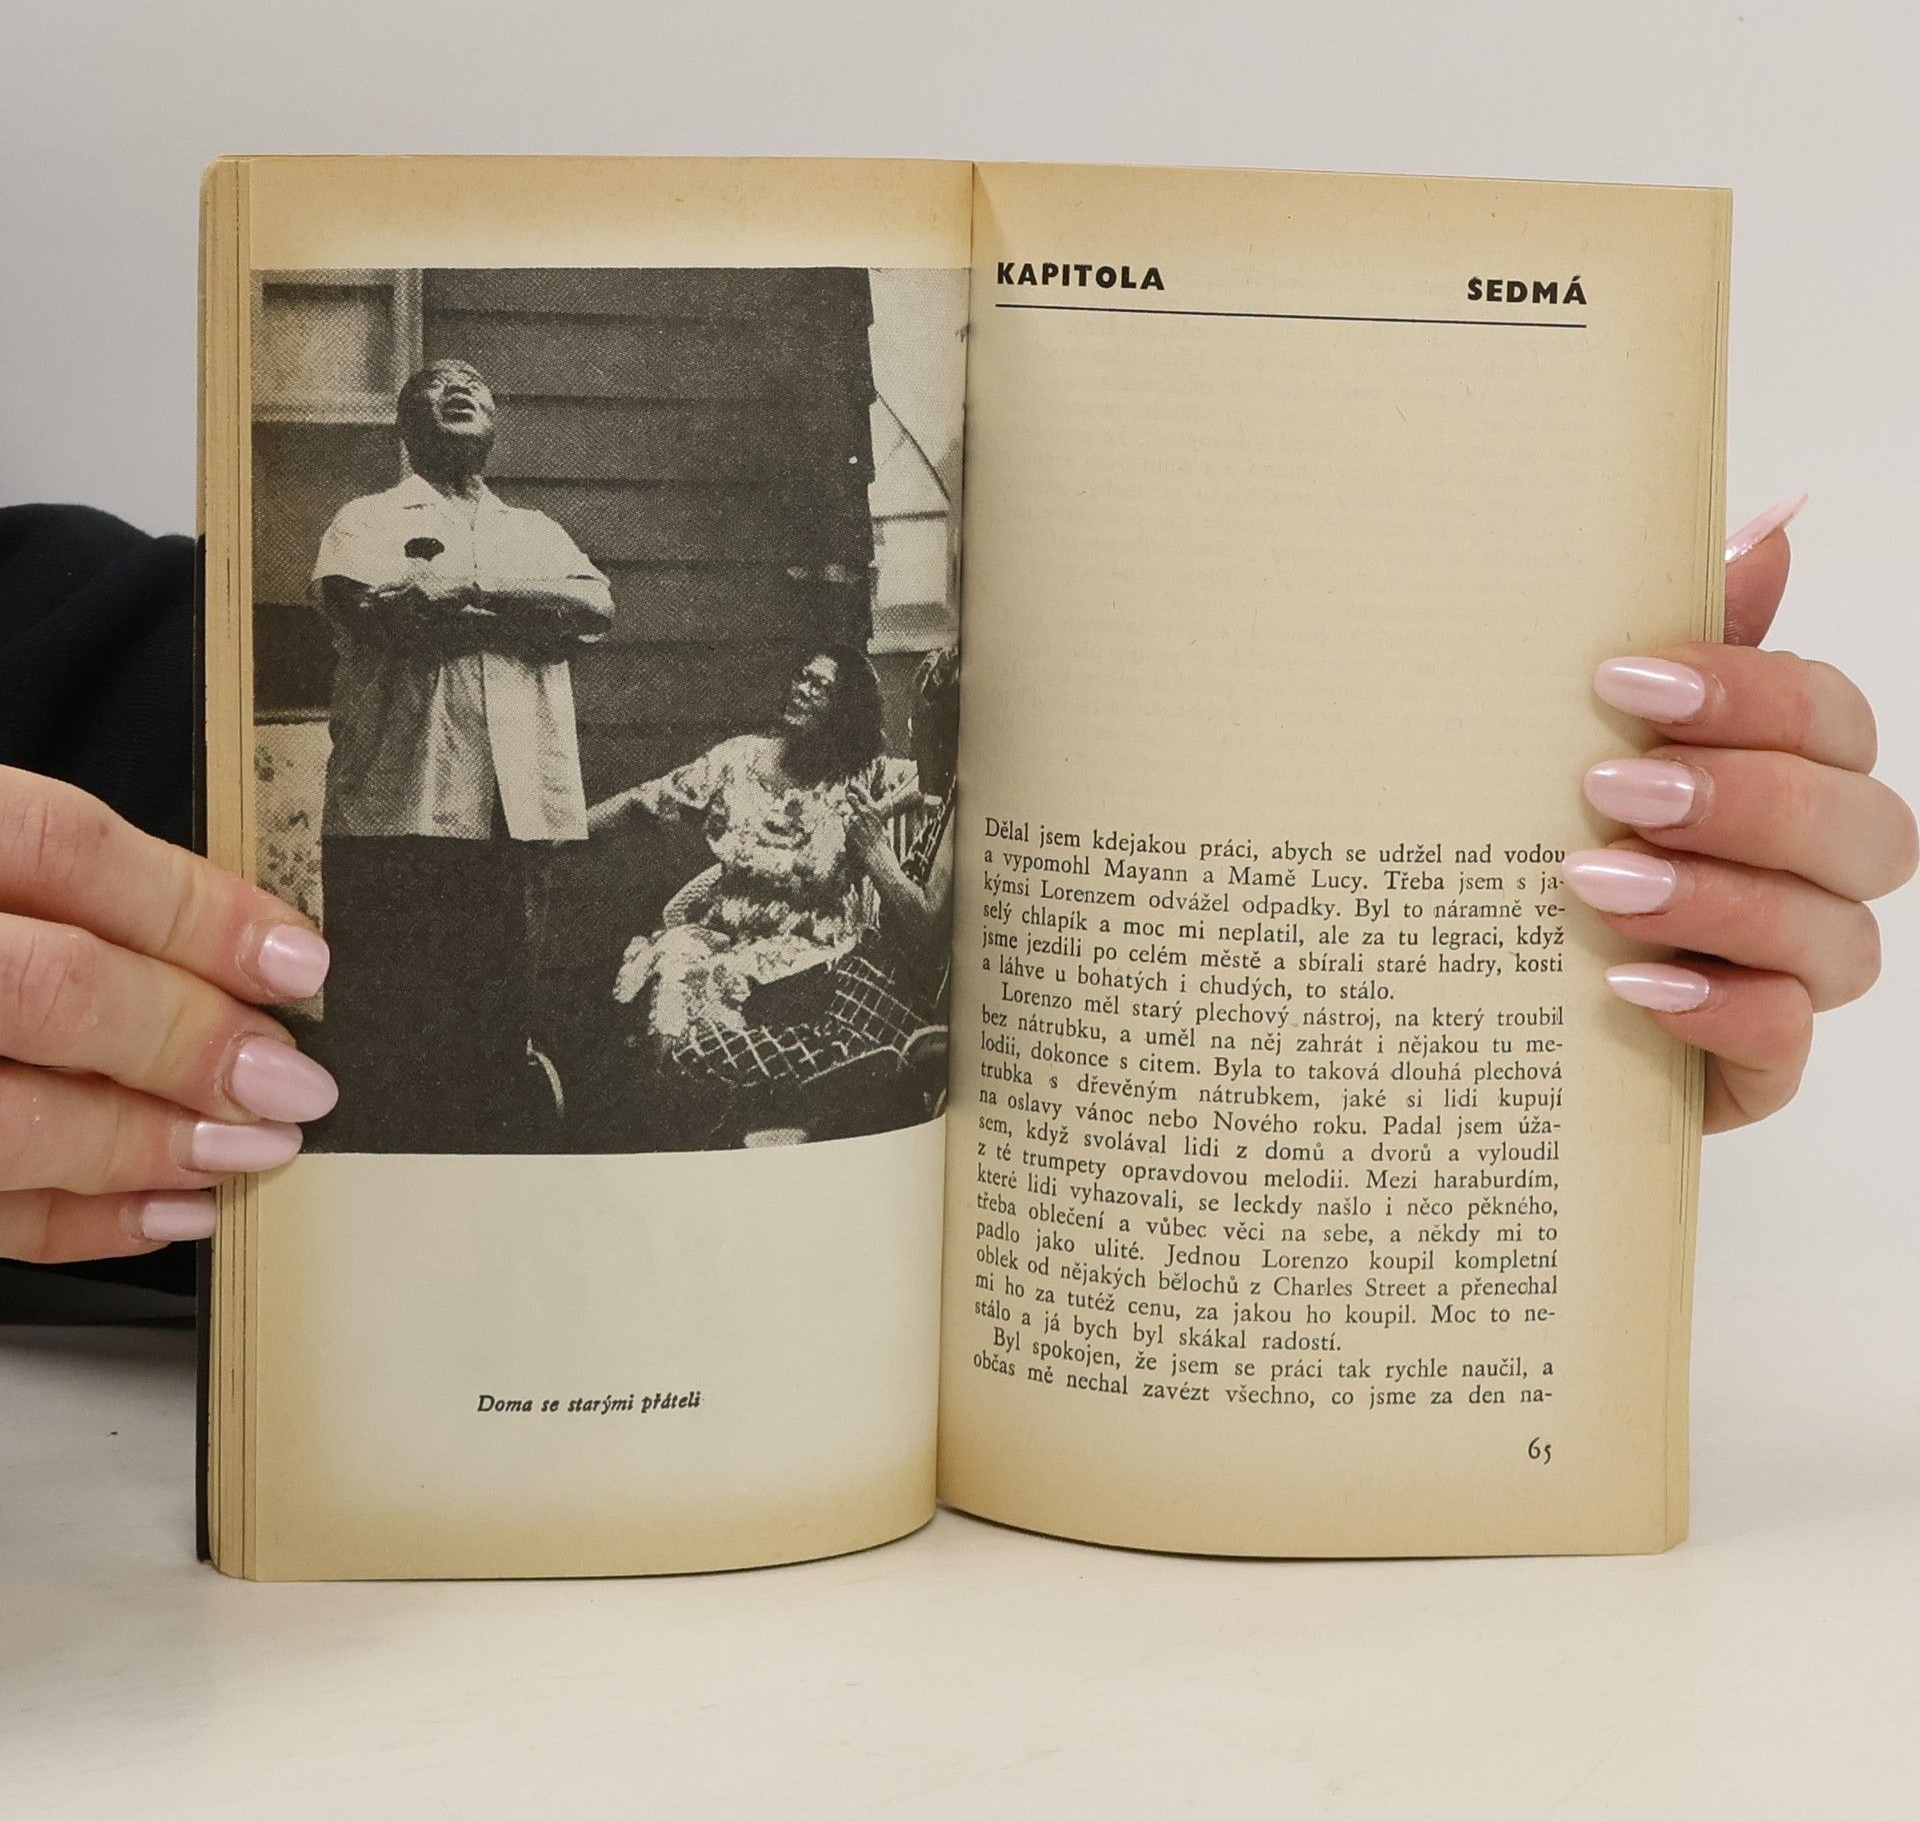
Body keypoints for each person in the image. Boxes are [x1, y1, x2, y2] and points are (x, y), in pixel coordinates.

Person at [0, 498, 1914, 1259]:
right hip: (697, 950)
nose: (803, 703)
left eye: (827, 689)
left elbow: (939, 925)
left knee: (862, 1034)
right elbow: (610, 825)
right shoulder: (728, 764)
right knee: (682, 996)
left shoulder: (896, 786)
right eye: (794, 688)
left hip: (850, 966)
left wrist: (1442, 908)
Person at [311, 358, 613, 1151]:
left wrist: (468, 590)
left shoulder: (535, 531)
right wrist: (524, 618)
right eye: (436, 384)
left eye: (473, 384)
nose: (458, 389)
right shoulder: (367, 520)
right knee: (387, 1030)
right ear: (406, 425)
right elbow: (380, 615)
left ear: (495, 421)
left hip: (508, 818)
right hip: (395, 814)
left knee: (495, 1030)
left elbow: (592, 607)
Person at [660, 645, 961, 1139]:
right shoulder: (947, 789)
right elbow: (929, 782)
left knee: (710, 1049)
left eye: (921, 724)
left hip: (875, 997)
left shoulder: (951, 805)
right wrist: (887, 810)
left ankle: (777, 1117)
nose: (911, 731)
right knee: (698, 1015)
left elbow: (927, 930)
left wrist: (875, 851)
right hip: (843, 974)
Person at [590, 647, 908, 1055]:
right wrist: (565, 831)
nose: (802, 690)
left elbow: (936, 776)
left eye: (820, 686)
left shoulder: (863, 776)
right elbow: (646, 801)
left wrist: (887, 809)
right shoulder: (738, 759)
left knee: (724, 982)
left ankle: (720, 1074)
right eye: (801, 677)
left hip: (809, 948)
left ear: (847, 709)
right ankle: (679, 1080)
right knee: (672, 969)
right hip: (722, 931)